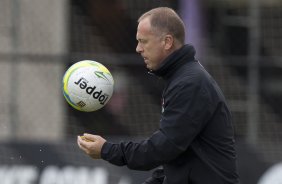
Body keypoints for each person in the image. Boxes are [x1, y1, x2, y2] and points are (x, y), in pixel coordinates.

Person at [77, 7, 240, 184]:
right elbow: (179, 158)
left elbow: (162, 148)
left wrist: (107, 150)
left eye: (143, 41)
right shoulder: (181, 77)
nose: (138, 49)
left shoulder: (190, 83)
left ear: (167, 42)